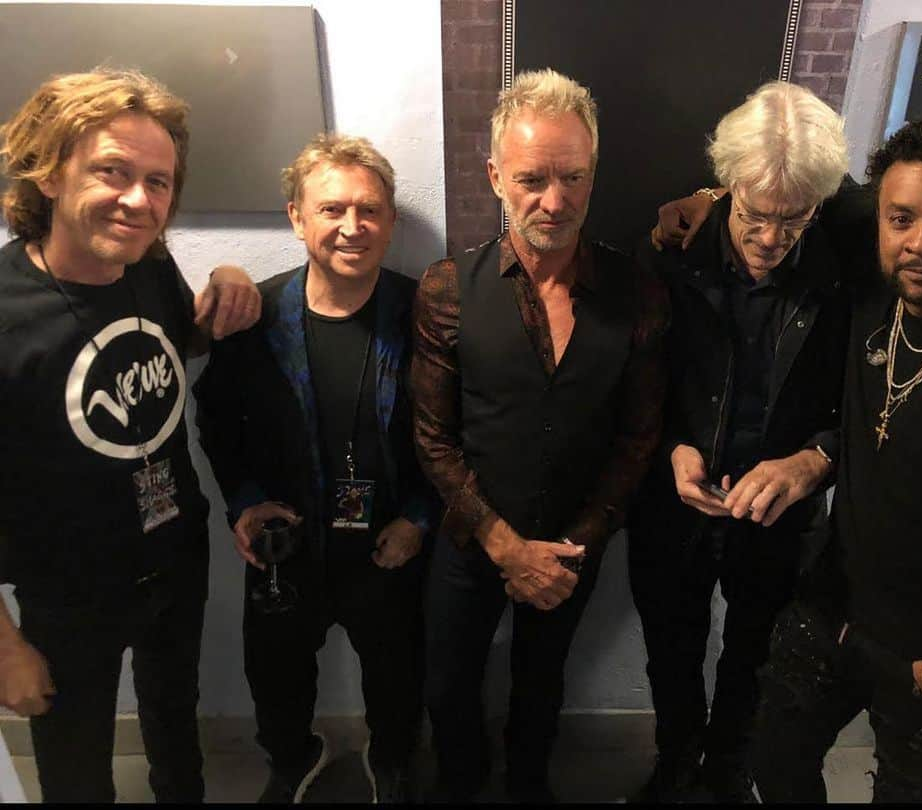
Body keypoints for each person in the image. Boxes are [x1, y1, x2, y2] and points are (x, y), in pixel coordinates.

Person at [654, 113, 922, 802]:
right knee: (775, 762)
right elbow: (789, 182)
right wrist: (708, 200)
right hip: (832, 600)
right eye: (903, 218)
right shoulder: (882, 277)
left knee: (906, 792)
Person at [0, 69, 260, 802]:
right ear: (49, 172)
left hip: (175, 551)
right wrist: (5, 648)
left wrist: (232, 280)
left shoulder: (146, 264)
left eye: (159, 181)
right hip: (68, 592)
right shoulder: (6, 315)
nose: (139, 200)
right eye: (112, 171)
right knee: (78, 769)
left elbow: (182, 344)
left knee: (177, 728)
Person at [411, 68, 669, 802]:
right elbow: (432, 440)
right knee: (448, 687)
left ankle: (529, 788)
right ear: (495, 175)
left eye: (573, 178)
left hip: (571, 545)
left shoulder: (640, 292)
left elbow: (638, 440)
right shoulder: (446, 289)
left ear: (594, 175)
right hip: (471, 541)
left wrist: (570, 549)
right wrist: (502, 544)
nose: (554, 201)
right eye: (531, 179)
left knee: (543, 685)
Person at [195, 134, 439, 803]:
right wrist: (244, 505)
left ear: (390, 221)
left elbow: (457, 432)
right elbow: (216, 420)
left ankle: (390, 759)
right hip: (286, 544)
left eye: (369, 210)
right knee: (274, 676)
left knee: (397, 677)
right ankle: (293, 755)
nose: (351, 227)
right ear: (297, 217)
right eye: (332, 210)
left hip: (391, 540)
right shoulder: (256, 315)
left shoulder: (427, 316)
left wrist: (420, 517)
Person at [625, 81, 852, 802]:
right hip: (676, 500)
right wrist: (670, 449)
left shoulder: (850, 268)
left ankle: (728, 771)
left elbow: (872, 404)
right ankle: (675, 759)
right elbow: (634, 382)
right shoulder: (668, 253)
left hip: (781, 510)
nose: (770, 239)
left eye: (796, 220)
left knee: (758, 655)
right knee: (671, 647)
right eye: (756, 215)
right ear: (725, 188)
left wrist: (815, 459)